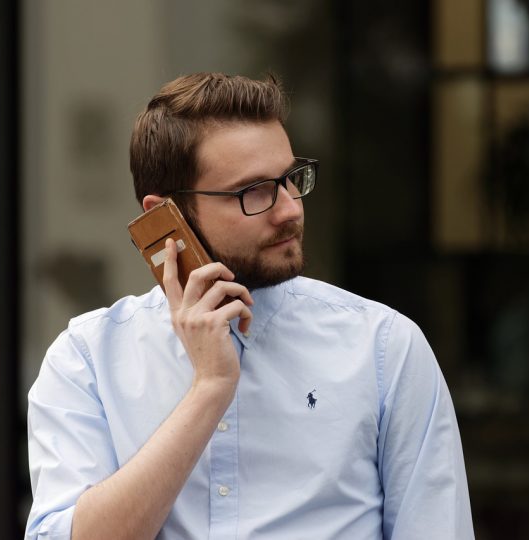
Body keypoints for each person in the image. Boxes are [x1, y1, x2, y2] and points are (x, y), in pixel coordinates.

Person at [25, 72, 474, 540]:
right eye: (253, 191)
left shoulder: (383, 348)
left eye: (291, 179)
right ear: (164, 216)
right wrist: (210, 389)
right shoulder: (88, 359)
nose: (290, 209)